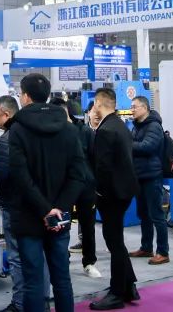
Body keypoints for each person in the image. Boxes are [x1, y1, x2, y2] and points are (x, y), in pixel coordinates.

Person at [8, 74, 86, 312]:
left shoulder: (18, 129)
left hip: (28, 215)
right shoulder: (69, 129)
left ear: (26, 96)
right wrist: (58, 209)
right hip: (60, 218)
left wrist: (45, 209)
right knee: (61, 279)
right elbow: (78, 175)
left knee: (33, 281)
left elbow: (20, 176)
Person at [88, 87, 140, 310]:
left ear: (98, 104)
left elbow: (103, 167)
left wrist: (99, 193)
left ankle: (117, 292)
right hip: (124, 190)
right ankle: (128, 285)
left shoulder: (106, 129)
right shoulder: (120, 125)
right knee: (116, 240)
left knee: (114, 242)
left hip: (112, 194)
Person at [51, 97, 101, 279]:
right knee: (61, 224)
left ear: (66, 111)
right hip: (63, 188)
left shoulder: (85, 131)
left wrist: (94, 182)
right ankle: (62, 258)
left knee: (87, 226)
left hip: (86, 187)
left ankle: (89, 262)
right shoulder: (53, 133)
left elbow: (95, 158)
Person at [0, 95, 24, 312]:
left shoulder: (5, 140)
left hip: (12, 204)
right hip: (32, 204)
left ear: (6, 114)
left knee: (16, 256)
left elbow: (0, 173)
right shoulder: (28, 133)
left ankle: (19, 304)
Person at [129, 96, 169, 266]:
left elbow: (148, 146)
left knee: (157, 215)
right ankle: (146, 247)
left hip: (152, 176)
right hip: (140, 176)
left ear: (145, 108)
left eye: (135, 107)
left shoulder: (154, 126)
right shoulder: (137, 126)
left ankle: (163, 252)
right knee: (144, 214)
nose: (132, 110)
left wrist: (128, 144)